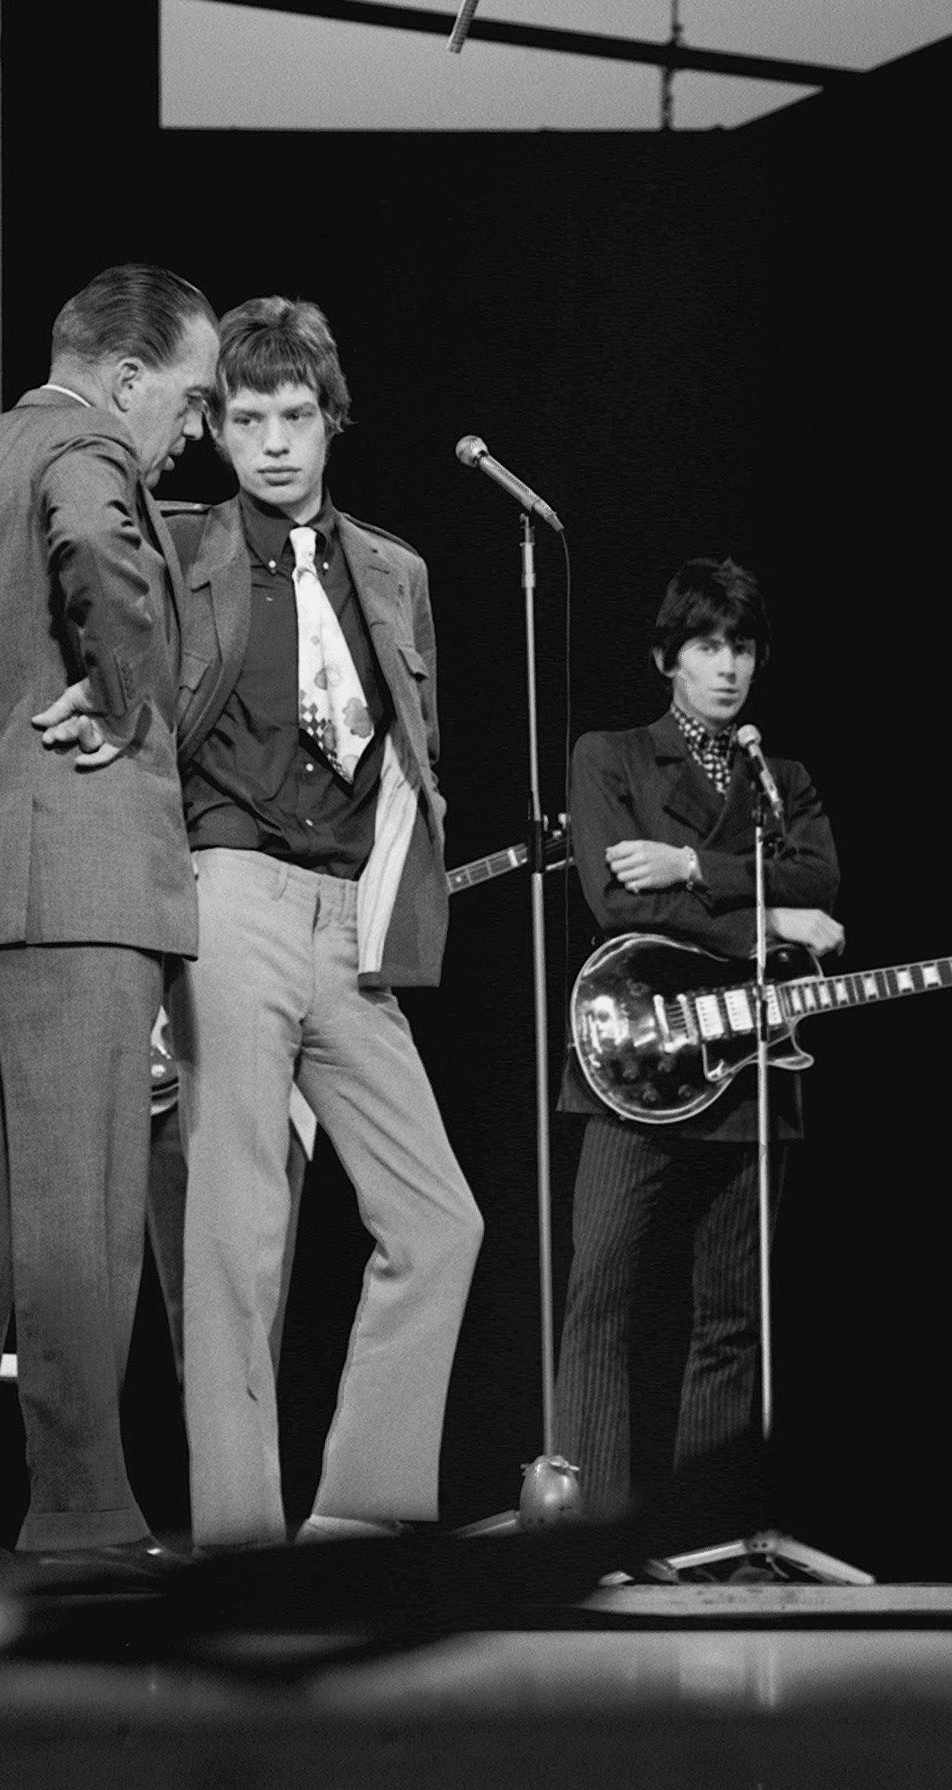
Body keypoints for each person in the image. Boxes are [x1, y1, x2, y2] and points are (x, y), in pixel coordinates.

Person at [0, 262, 218, 1577]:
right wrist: (126, 689)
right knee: (82, 1198)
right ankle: (81, 1513)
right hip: (74, 878)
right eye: (189, 403)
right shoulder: (85, 448)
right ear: (128, 378)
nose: (191, 432)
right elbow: (92, 541)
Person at [161, 296, 484, 1551]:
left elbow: (418, 750)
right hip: (230, 893)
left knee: (438, 1218)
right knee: (238, 1233)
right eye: (248, 420)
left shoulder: (394, 570)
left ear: (330, 419)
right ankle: (242, 1544)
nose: (276, 443)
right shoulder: (181, 551)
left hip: (351, 918)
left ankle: (356, 1518)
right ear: (222, 430)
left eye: (297, 416)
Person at [553, 557, 843, 1525]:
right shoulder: (612, 756)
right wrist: (768, 926)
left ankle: (707, 1529)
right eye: (708, 647)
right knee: (600, 1287)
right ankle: (585, 1526)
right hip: (634, 1051)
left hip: (754, 1062)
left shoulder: (779, 775)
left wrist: (689, 862)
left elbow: (821, 880)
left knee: (733, 1309)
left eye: (743, 649)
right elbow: (614, 904)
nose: (727, 669)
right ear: (666, 657)